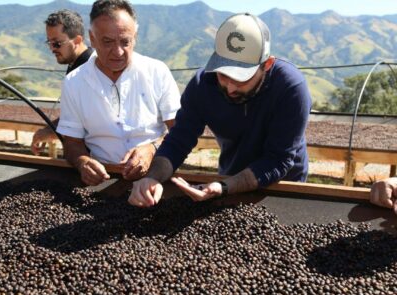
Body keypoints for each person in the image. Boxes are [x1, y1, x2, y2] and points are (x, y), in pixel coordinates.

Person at [128, 13, 312, 207]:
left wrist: (223, 187)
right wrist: (152, 178)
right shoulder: (202, 84)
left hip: (283, 184)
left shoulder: (290, 88)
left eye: (242, 78)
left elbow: (277, 160)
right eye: (223, 75)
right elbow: (178, 140)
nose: (230, 87)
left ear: (266, 65)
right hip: (231, 176)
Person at [56, 0, 180, 186]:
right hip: (103, 179)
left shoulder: (157, 72)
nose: (118, 51)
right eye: (107, 42)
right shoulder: (74, 82)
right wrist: (83, 162)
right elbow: (72, 142)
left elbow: (180, 131)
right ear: (92, 38)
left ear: (135, 37)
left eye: (125, 42)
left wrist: (152, 148)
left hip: (156, 177)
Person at [31, 9, 94, 155]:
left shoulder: (90, 69)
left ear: (77, 41)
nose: (52, 49)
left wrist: (47, 132)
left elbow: (84, 120)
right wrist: (47, 132)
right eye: (50, 42)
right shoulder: (75, 64)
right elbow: (72, 114)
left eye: (57, 43)